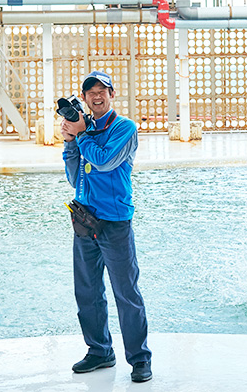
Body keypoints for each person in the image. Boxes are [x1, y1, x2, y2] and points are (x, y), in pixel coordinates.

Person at [60, 70, 152, 382]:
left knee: (126, 291)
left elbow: (104, 161)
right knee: (87, 291)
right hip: (84, 219)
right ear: (84, 97)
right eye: (91, 91)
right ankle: (100, 350)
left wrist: (82, 134)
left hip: (114, 222)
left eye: (103, 90)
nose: (96, 96)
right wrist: (70, 142)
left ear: (112, 94)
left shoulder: (124, 128)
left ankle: (139, 358)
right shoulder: (83, 130)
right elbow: (75, 177)